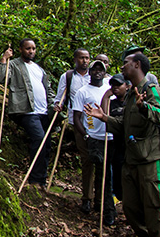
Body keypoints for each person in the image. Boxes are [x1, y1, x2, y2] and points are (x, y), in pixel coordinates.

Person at [85, 53, 160, 237]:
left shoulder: (151, 89)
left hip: (150, 160)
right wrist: (104, 118)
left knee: (154, 206)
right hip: (131, 160)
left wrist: (144, 107)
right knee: (131, 208)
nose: (122, 67)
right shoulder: (132, 94)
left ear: (137, 65)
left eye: (126, 63)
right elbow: (125, 125)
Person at [0, 38, 55, 186]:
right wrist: (4, 59)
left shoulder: (38, 68)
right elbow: (1, 77)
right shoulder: (15, 64)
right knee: (39, 139)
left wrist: (53, 105)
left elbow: (47, 88)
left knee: (46, 144)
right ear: (21, 49)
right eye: (28, 48)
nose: (31, 51)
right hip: (27, 110)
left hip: (43, 111)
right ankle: (35, 179)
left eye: (33, 48)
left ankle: (41, 179)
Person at [72, 60, 116, 226]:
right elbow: (77, 117)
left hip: (110, 137)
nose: (98, 72)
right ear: (90, 72)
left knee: (105, 172)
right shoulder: (83, 92)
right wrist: (86, 135)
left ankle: (101, 202)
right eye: (95, 69)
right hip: (93, 136)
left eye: (101, 69)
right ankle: (87, 199)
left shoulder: (110, 90)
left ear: (105, 73)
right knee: (89, 166)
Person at [54, 48, 96, 213]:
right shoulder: (68, 76)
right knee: (86, 160)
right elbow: (60, 97)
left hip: (96, 124)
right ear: (75, 59)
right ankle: (87, 198)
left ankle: (99, 198)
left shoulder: (96, 76)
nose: (84, 61)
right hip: (76, 121)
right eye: (81, 58)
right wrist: (58, 105)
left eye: (87, 58)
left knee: (97, 160)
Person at [106, 73, 130, 203]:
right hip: (117, 145)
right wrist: (105, 97)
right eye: (113, 85)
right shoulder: (112, 103)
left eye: (119, 85)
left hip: (131, 145)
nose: (115, 88)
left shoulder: (132, 101)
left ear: (127, 86)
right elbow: (104, 117)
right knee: (117, 174)